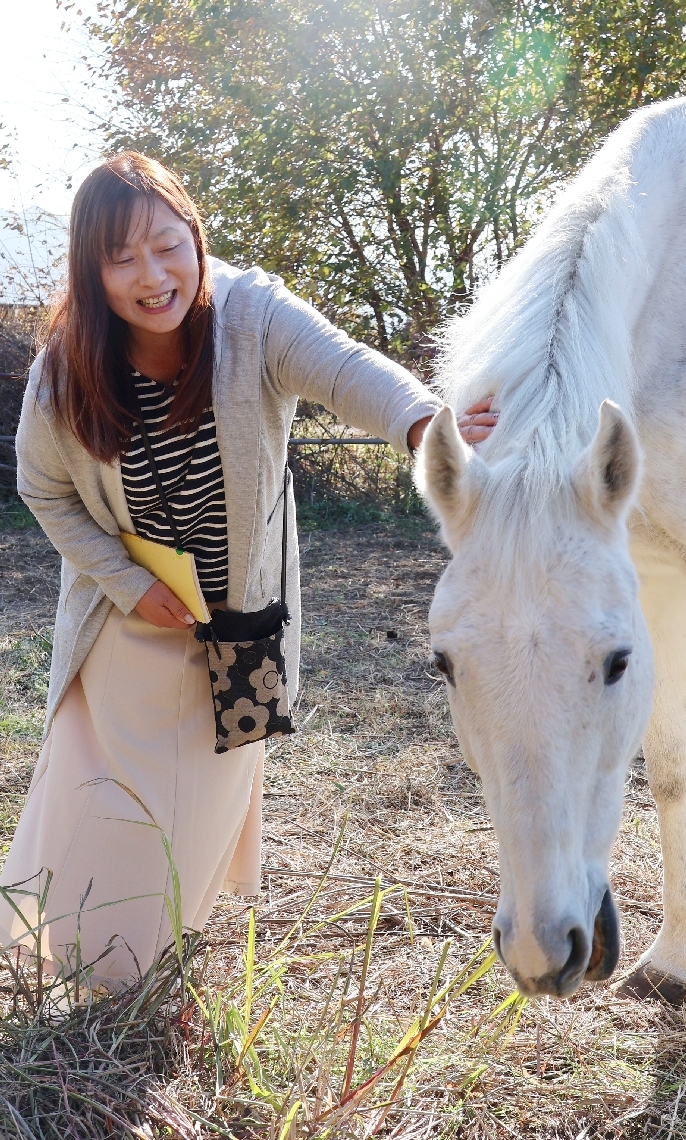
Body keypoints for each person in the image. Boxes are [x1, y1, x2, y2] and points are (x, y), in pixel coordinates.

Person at [2, 151, 497, 986]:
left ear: (195, 237)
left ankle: (147, 962)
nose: (151, 276)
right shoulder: (67, 366)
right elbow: (43, 490)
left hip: (241, 625)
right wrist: (127, 583)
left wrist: (421, 423)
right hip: (129, 619)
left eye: (167, 246)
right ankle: (61, 956)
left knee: (199, 810)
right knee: (99, 797)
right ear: (92, 273)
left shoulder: (252, 314)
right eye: (121, 258)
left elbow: (343, 369)